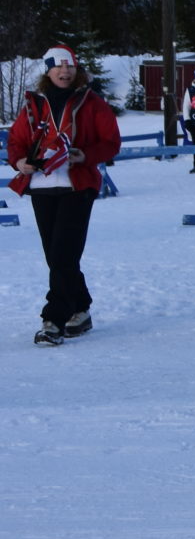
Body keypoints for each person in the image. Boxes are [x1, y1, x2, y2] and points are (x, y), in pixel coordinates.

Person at [9, 44, 121, 346]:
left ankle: (54, 320)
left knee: (63, 253)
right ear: (48, 71)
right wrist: (20, 161)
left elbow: (111, 142)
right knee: (57, 257)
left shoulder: (91, 102)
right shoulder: (34, 104)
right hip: (42, 187)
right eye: (58, 66)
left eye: (70, 66)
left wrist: (84, 155)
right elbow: (16, 141)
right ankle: (80, 309)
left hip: (77, 186)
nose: (65, 71)